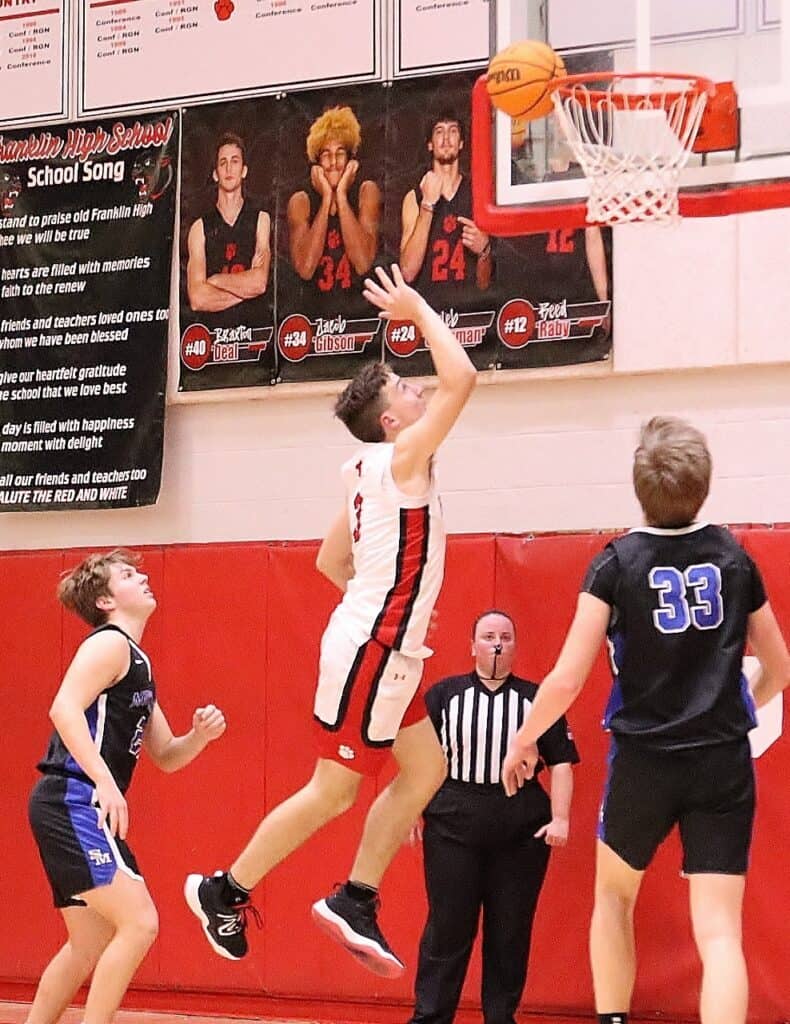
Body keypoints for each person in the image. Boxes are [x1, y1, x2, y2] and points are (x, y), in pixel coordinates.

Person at [185, 263, 477, 976]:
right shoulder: (402, 458)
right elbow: (464, 377)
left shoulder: (360, 470)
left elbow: (327, 562)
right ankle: (228, 888)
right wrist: (415, 308)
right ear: (391, 422)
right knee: (334, 789)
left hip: (381, 645)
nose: (421, 392)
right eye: (409, 392)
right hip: (373, 650)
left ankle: (356, 896)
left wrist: (394, 614)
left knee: (426, 768)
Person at [501, 416, 790, 1024]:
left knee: (612, 896)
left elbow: (565, 679)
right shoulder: (735, 558)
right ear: (703, 485)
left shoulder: (616, 564)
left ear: (640, 488)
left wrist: (525, 740)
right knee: (718, 933)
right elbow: (780, 666)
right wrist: (741, 706)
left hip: (645, 761)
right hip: (721, 762)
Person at [27, 549, 226, 1024]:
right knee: (140, 923)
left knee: (88, 942)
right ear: (104, 601)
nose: (143, 577)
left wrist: (198, 738)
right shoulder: (109, 644)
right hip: (73, 797)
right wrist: (104, 781)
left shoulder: (138, 662)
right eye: (129, 575)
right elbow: (63, 709)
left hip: (80, 802)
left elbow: (166, 756)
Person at [410, 609, 579, 1024]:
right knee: (448, 928)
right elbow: (418, 757)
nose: (497, 643)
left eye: (505, 635)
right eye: (488, 636)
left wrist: (560, 819)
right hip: (452, 821)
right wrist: (409, 809)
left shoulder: (538, 700)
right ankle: (430, 1017)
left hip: (520, 827)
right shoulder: (444, 695)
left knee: (510, 932)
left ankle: (501, 1018)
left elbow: (561, 762)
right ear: (472, 647)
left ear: (516, 647)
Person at [287, 105, 381, 297]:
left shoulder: (366, 191)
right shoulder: (301, 201)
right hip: (316, 317)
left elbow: (363, 262)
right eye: (326, 155)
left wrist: (341, 196)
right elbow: (305, 268)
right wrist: (327, 198)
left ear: (350, 159)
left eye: (340, 153)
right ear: (317, 162)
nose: (333, 162)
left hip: (360, 314)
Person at [400, 113, 492, 299]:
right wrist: (427, 206)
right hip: (428, 312)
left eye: (453, 131)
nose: (446, 139)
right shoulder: (414, 197)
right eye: (439, 131)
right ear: (430, 144)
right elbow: (407, 272)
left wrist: (484, 251)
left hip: (469, 312)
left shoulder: (479, 194)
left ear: (461, 143)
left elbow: (485, 285)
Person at [186, 131, 271, 319]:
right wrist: (244, 290)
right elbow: (198, 298)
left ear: (244, 170)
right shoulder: (199, 229)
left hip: (253, 333)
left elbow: (259, 283)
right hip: (214, 339)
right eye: (223, 163)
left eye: (235, 161)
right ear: (216, 174)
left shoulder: (260, 219)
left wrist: (215, 280)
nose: (229, 169)